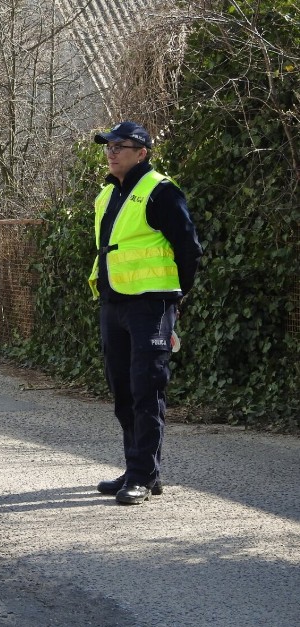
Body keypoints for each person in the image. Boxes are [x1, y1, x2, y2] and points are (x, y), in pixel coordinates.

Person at [88, 121, 202, 505]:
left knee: (146, 389)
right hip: (114, 303)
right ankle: (137, 468)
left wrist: (175, 298)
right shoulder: (107, 193)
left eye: (120, 145)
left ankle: (142, 474)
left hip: (151, 306)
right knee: (122, 389)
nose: (111, 151)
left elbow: (189, 248)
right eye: (108, 145)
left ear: (142, 152)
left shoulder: (161, 191)